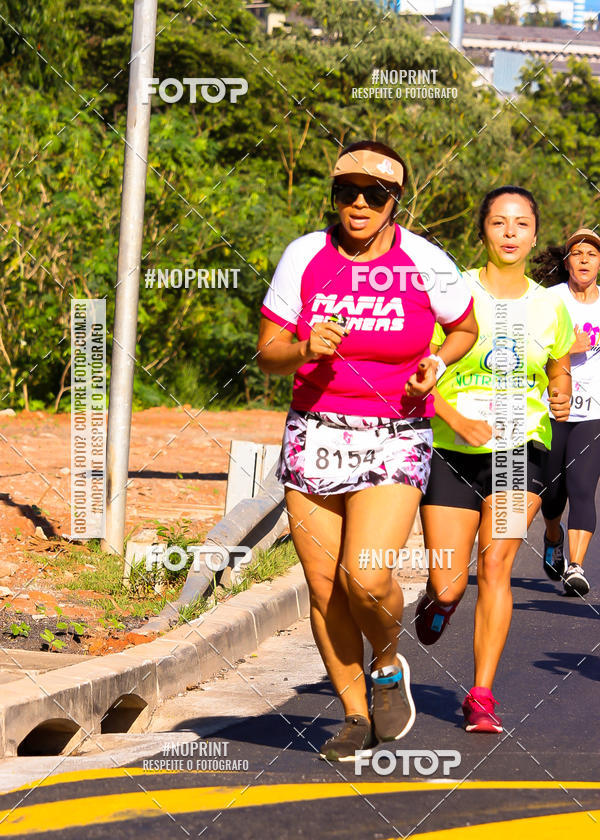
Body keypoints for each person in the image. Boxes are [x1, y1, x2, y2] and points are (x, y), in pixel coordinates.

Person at [256, 139, 478, 761]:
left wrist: (436, 360)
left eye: (373, 195)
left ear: (394, 202)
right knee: (324, 586)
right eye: (346, 191)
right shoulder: (304, 254)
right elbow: (268, 352)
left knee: (366, 573)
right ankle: (354, 715)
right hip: (315, 431)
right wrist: (303, 349)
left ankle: (387, 663)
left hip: (394, 432)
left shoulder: (426, 260)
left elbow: (464, 327)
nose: (357, 204)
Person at [416, 186, 573, 733]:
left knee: (498, 565)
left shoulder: (550, 304)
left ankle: (481, 694)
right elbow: (414, 376)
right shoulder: (451, 294)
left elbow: (557, 364)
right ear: (482, 228)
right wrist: (453, 417)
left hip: (518, 451)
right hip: (452, 452)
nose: (510, 233)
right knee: (450, 582)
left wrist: (560, 386)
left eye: (522, 224)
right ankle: (439, 602)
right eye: (500, 222)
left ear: (534, 234)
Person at [532, 228, 600, 597]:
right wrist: (566, 347)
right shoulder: (548, 300)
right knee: (552, 492)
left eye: (592, 253)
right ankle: (553, 536)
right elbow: (529, 347)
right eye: (578, 253)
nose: (585, 258)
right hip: (552, 408)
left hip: (595, 414)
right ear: (567, 261)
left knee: (583, 487)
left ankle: (575, 567)